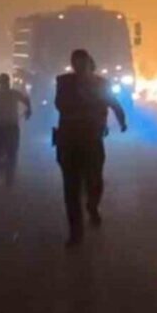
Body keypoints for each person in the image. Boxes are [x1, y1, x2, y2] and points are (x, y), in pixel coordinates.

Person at [54, 48, 127, 248]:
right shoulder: (65, 83)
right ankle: (75, 233)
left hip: (92, 141)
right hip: (69, 141)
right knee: (71, 189)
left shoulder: (101, 84)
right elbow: (60, 104)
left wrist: (121, 121)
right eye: (75, 63)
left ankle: (92, 206)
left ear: (89, 64)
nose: (79, 67)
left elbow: (114, 103)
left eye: (82, 63)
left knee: (94, 180)